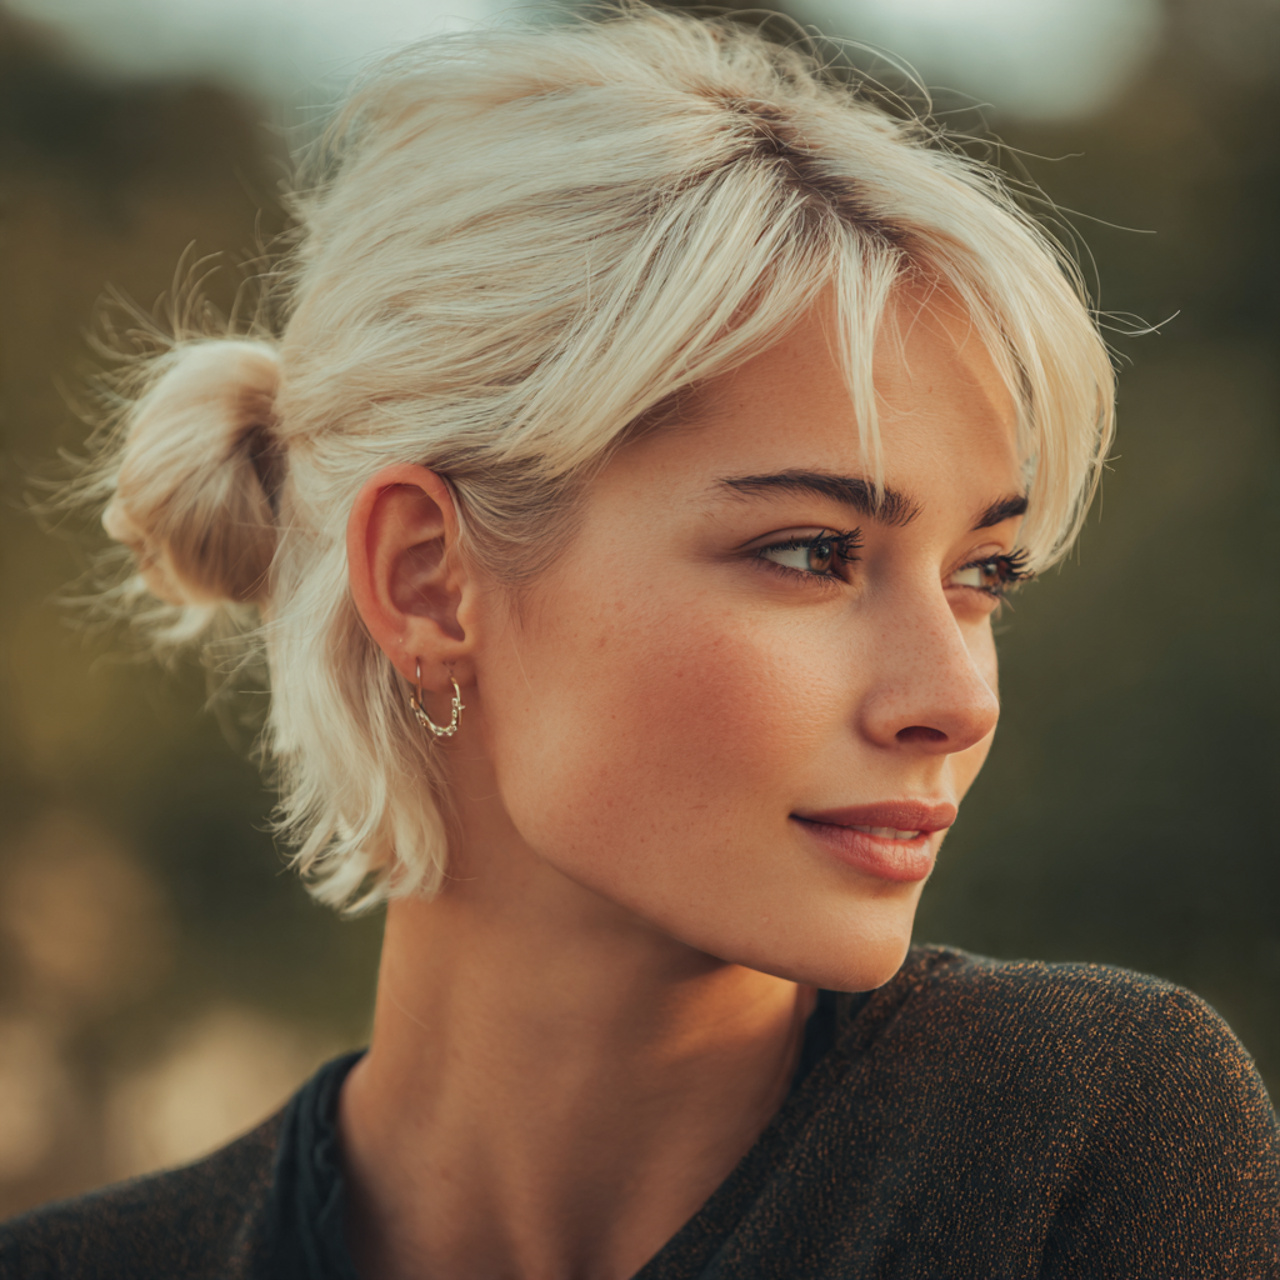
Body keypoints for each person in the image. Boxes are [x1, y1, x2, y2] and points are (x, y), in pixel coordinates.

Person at [2, 7, 1277, 1278]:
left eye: (981, 573)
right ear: (429, 583)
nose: (955, 696)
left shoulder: (1073, 1142)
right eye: (810, 551)